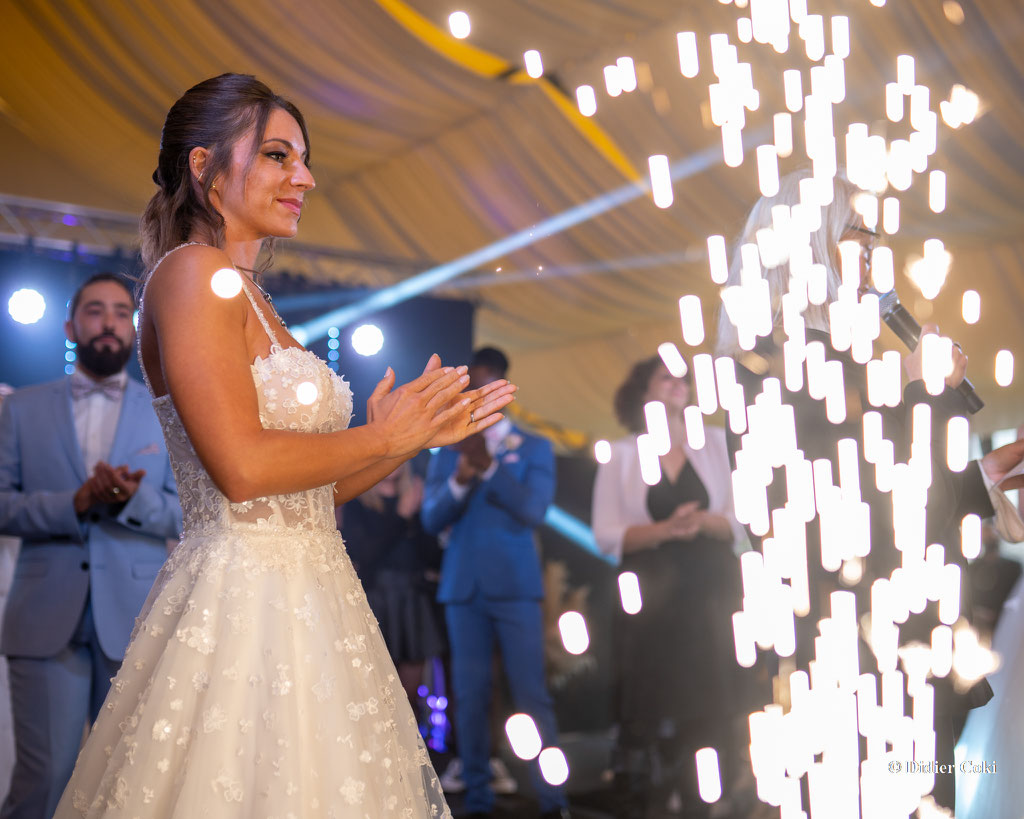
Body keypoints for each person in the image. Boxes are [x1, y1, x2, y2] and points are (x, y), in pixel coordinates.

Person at [52, 73, 515, 818]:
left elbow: (309, 495)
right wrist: (380, 432)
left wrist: (405, 441)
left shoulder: (250, 294)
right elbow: (241, 470)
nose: (303, 177)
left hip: (313, 590)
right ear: (205, 168)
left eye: (302, 158)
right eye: (276, 155)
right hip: (244, 598)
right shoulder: (192, 275)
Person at [715, 168, 1024, 812]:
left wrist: (983, 482)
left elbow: (903, 496)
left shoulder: (848, 360)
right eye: (858, 233)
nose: (875, 253)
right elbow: (849, 522)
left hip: (908, 639)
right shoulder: (770, 366)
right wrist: (926, 397)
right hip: (846, 654)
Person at [0, 273, 183, 818]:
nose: (108, 323)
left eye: (120, 312)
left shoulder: (168, 411)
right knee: (44, 779)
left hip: (136, 621)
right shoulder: (21, 408)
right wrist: (73, 503)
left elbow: (187, 512)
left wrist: (131, 500)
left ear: (134, 326)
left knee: (128, 780)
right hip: (44, 617)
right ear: (70, 326)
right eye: (95, 311)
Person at [591, 355, 746, 818]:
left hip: (712, 589)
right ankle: (654, 796)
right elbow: (605, 535)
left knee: (713, 699)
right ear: (644, 393)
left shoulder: (718, 444)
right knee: (654, 700)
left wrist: (702, 521)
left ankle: (707, 797)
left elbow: (743, 520)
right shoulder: (621, 454)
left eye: (683, 378)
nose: (678, 385)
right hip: (652, 594)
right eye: (666, 377)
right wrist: (665, 530)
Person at [421, 347, 569, 819]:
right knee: (470, 696)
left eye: (489, 386)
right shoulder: (449, 449)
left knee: (531, 695)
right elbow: (430, 518)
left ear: (503, 388)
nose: (481, 395)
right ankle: (479, 800)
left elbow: (534, 510)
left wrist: (490, 468)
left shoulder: (534, 446)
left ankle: (553, 800)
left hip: (516, 586)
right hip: (463, 587)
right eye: (474, 387)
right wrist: (462, 479)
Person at [337, 460, 446, 710]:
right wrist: (401, 515)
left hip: (413, 600)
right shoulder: (357, 501)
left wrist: (422, 513)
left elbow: (431, 554)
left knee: (410, 696)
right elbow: (364, 555)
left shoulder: (416, 497)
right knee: (376, 689)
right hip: (376, 600)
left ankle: (413, 746)